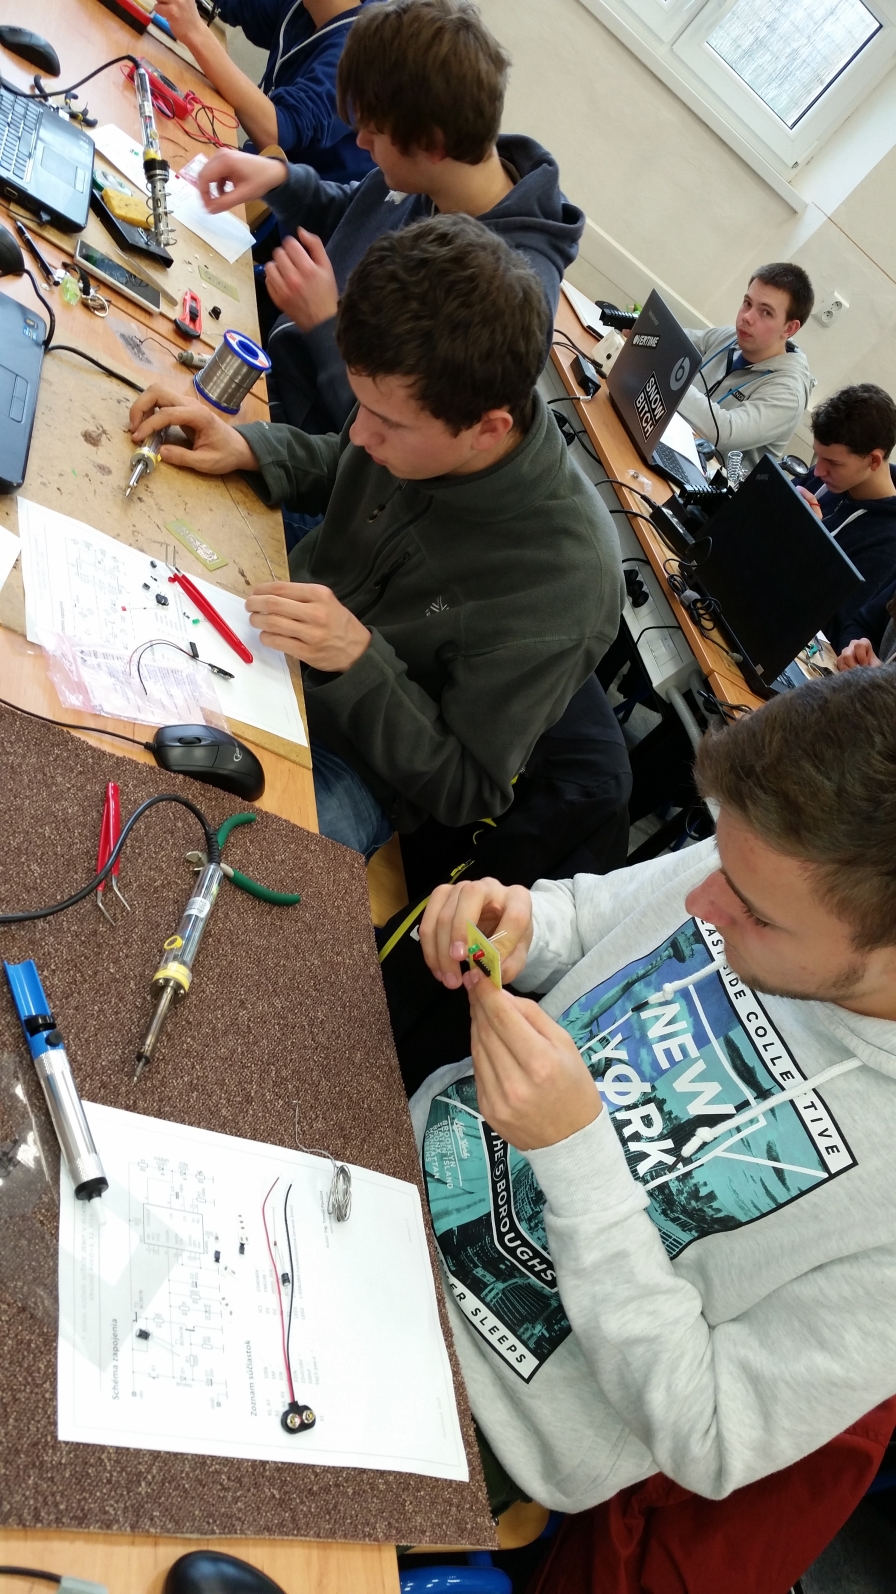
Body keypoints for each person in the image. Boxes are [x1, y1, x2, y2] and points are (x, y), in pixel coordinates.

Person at [411, 666, 896, 1513]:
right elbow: (583, 918)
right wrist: (516, 922)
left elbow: (711, 1437)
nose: (704, 903)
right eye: (718, 855)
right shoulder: (774, 856)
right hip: (385, 1161)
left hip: (473, 1405)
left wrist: (577, 1158)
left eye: (755, 914)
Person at [128, 215, 623, 857]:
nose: (361, 433)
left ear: (488, 429)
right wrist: (251, 447)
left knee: (206, 855)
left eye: (387, 422)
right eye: (360, 404)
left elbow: (466, 788)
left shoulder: (568, 587)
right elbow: (346, 461)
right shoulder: (416, 418)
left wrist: (358, 659)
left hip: (360, 765)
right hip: (273, 636)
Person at [195, 0, 585, 434]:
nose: (360, 142)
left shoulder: (506, 292)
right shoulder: (437, 175)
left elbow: (397, 440)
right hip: (274, 367)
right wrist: (280, 179)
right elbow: (352, 212)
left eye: (374, 132)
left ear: (432, 145)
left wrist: (325, 326)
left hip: (310, 441)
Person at [152, 0, 376, 179]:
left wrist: (195, 32)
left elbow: (278, 134)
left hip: (281, 213)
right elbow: (243, 5)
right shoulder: (306, 6)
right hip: (246, 168)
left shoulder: (364, 52)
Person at [675, 263, 815, 473]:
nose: (747, 317)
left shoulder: (789, 392)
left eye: (765, 312)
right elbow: (674, 340)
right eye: (747, 303)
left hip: (702, 480)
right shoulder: (731, 337)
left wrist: (670, 380)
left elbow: (725, 432)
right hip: (672, 440)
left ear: (789, 328)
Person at [797, 384, 896, 650]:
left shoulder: (888, 543)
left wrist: (811, 540)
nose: (818, 471)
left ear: (873, 461)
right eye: (818, 456)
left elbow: (832, 630)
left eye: (833, 463)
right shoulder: (830, 479)